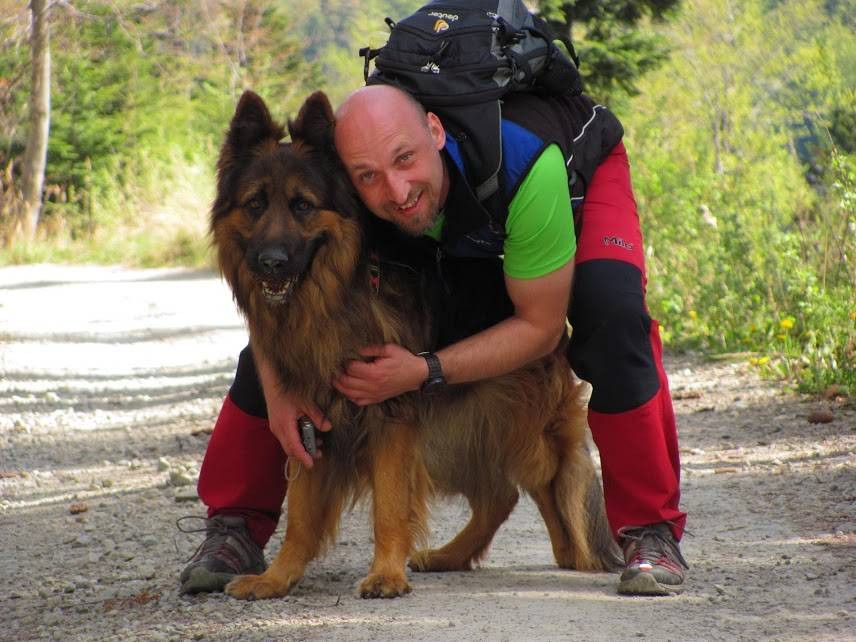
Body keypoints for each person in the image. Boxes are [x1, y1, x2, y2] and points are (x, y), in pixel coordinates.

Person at [180, 84, 689, 597]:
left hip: (565, 174)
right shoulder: (345, 166)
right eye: (370, 176)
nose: (396, 190)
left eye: (405, 160)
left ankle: (650, 529)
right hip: (455, 211)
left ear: (434, 130)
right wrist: (279, 387)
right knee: (291, 347)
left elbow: (541, 328)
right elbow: (279, 308)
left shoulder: (528, 166)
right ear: (350, 175)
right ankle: (235, 527)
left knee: (612, 313)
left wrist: (424, 369)